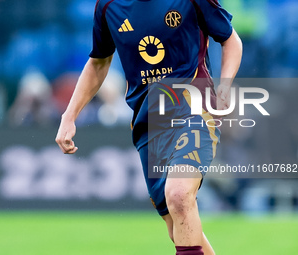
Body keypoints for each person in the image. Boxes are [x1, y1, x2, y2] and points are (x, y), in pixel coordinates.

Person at [56, 0, 242, 254]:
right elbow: (99, 62)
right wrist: (69, 115)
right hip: (149, 121)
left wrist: (225, 84)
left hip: (194, 106)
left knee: (178, 195)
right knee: (174, 221)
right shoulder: (108, 6)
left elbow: (230, 39)